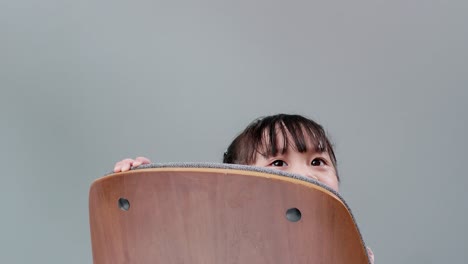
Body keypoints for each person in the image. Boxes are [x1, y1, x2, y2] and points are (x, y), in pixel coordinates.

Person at [112, 113, 374, 263]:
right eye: (279, 163)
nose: (304, 174)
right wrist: (138, 190)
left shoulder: (349, 251)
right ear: (241, 187)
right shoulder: (225, 246)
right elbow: (168, 246)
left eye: (318, 162)